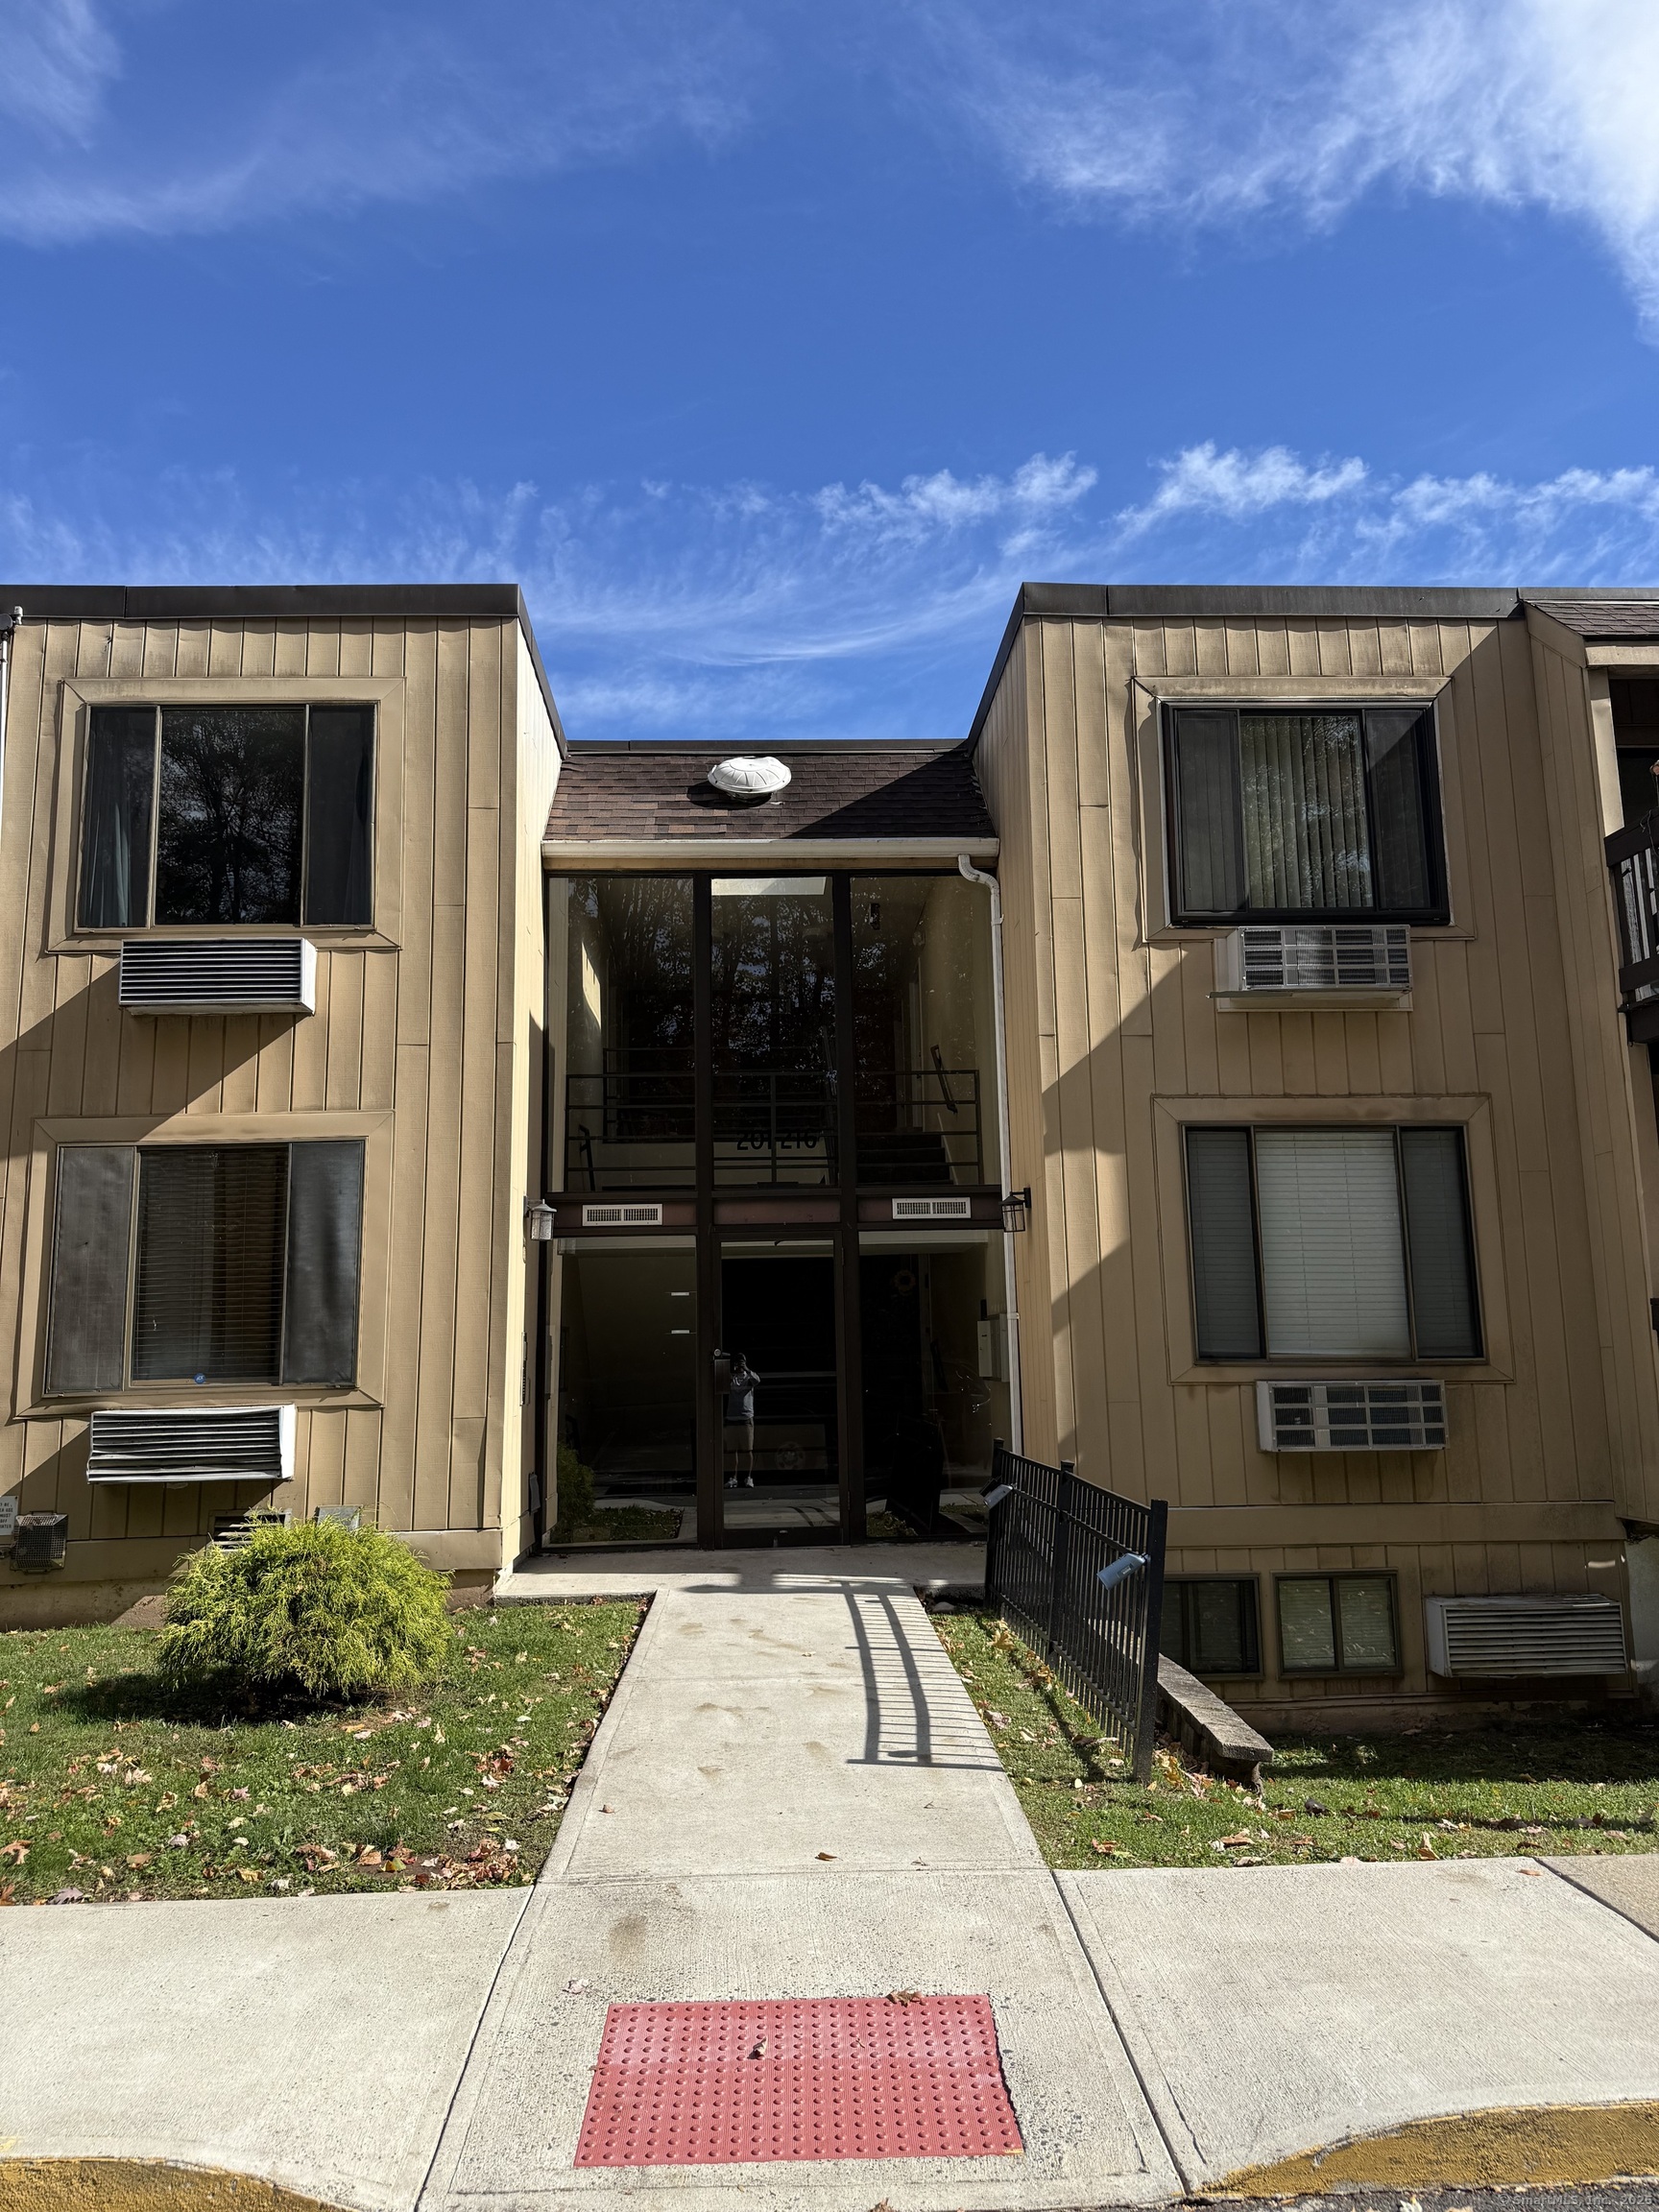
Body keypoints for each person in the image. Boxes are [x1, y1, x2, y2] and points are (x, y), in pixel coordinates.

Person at [725, 1353, 758, 1488]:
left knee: (748, 1450)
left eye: (741, 1362)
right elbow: (721, 1383)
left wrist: (747, 1369)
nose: (739, 1365)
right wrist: (731, 1371)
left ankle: (748, 1477)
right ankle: (733, 1477)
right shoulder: (731, 1378)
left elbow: (757, 1380)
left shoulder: (749, 1377)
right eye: (737, 1362)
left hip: (746, 1418)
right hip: (732, 1417)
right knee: (732, 1450)